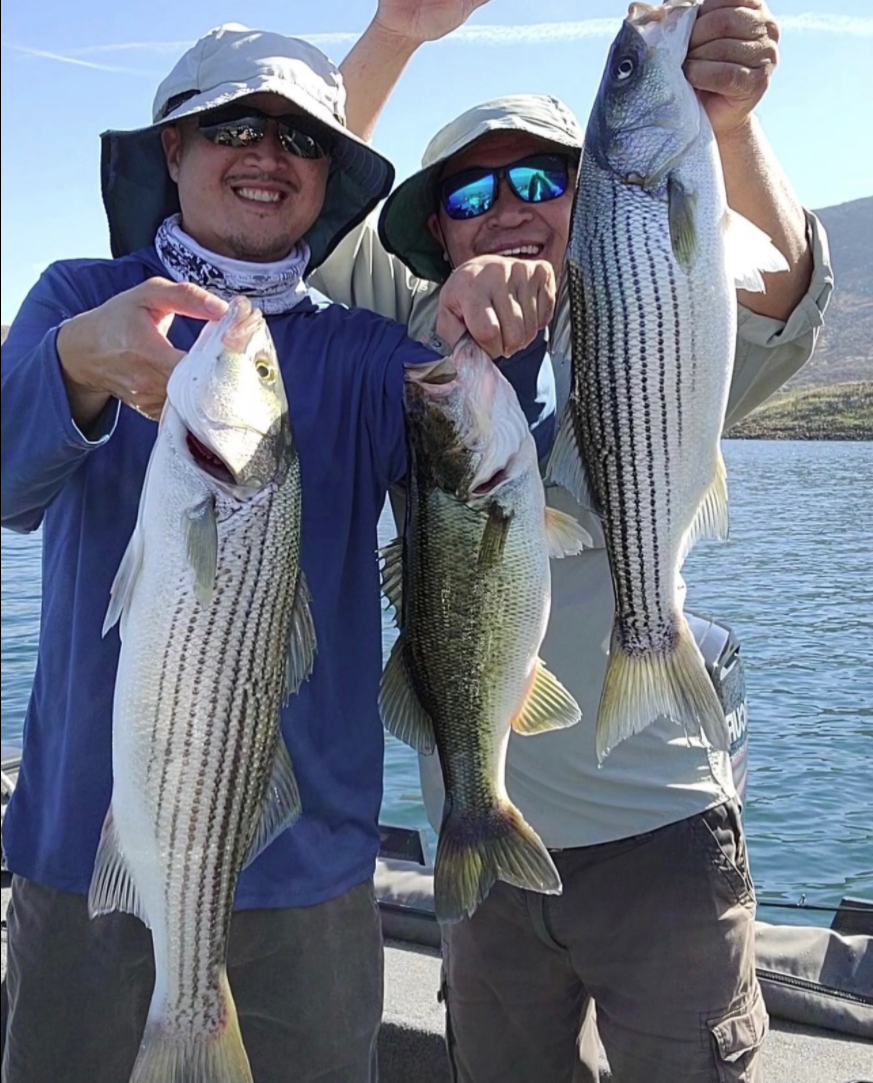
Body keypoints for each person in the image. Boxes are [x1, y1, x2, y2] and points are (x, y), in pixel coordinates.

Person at [311, 1, 835, 1080]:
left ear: (589, 198)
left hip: (664, 842)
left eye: (542, 182)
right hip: (485, 849)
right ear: (437, 234)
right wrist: (397, 34)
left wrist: (729, 130)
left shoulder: (662, 313)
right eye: (471, 194)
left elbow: (781, 294)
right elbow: (306, 222)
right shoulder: (411, 337)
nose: (507, 210)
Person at [0, 23, 446, 1083]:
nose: (266, 154)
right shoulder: (77, 299)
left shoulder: (364, 355)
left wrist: (487, 347)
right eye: (233, 126)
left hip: (310, 874)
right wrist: (74, 365)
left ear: (328, 177)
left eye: (300, 140)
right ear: (169, 150)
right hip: (81, 850)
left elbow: (493, 482)